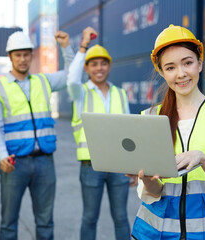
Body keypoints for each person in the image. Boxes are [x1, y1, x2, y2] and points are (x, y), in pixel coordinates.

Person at [131, 24, 205, 240]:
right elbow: (152, 193)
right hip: (158, 233)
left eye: (187, 63)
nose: (181, 74)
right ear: (161, 72)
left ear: (200, 63)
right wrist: (146, 179)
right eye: (171, 67)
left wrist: (202, 158)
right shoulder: (149, 118)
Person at [0, 30, 74, 240]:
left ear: (32, 55)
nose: (23, 59)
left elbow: (71, 75)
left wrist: (66, 47)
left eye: (26, 54)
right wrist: (2, 156)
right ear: (10, 57)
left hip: (44, 162)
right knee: (8, 223)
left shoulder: (43, 81)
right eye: (18, 55)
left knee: (45, 223)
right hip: (14, 163)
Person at [67, 27, 137, 240]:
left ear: (109, 66)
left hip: (119, 166)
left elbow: (129, 131)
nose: (99, 68)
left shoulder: (120, 93)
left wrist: (132, 166)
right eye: (94, 64)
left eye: (103, 63)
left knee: (121, 218)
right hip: (92, 165)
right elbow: (71, 78)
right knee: (90, 218)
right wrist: (83, 47)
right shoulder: (80, 93)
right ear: (86, 68)